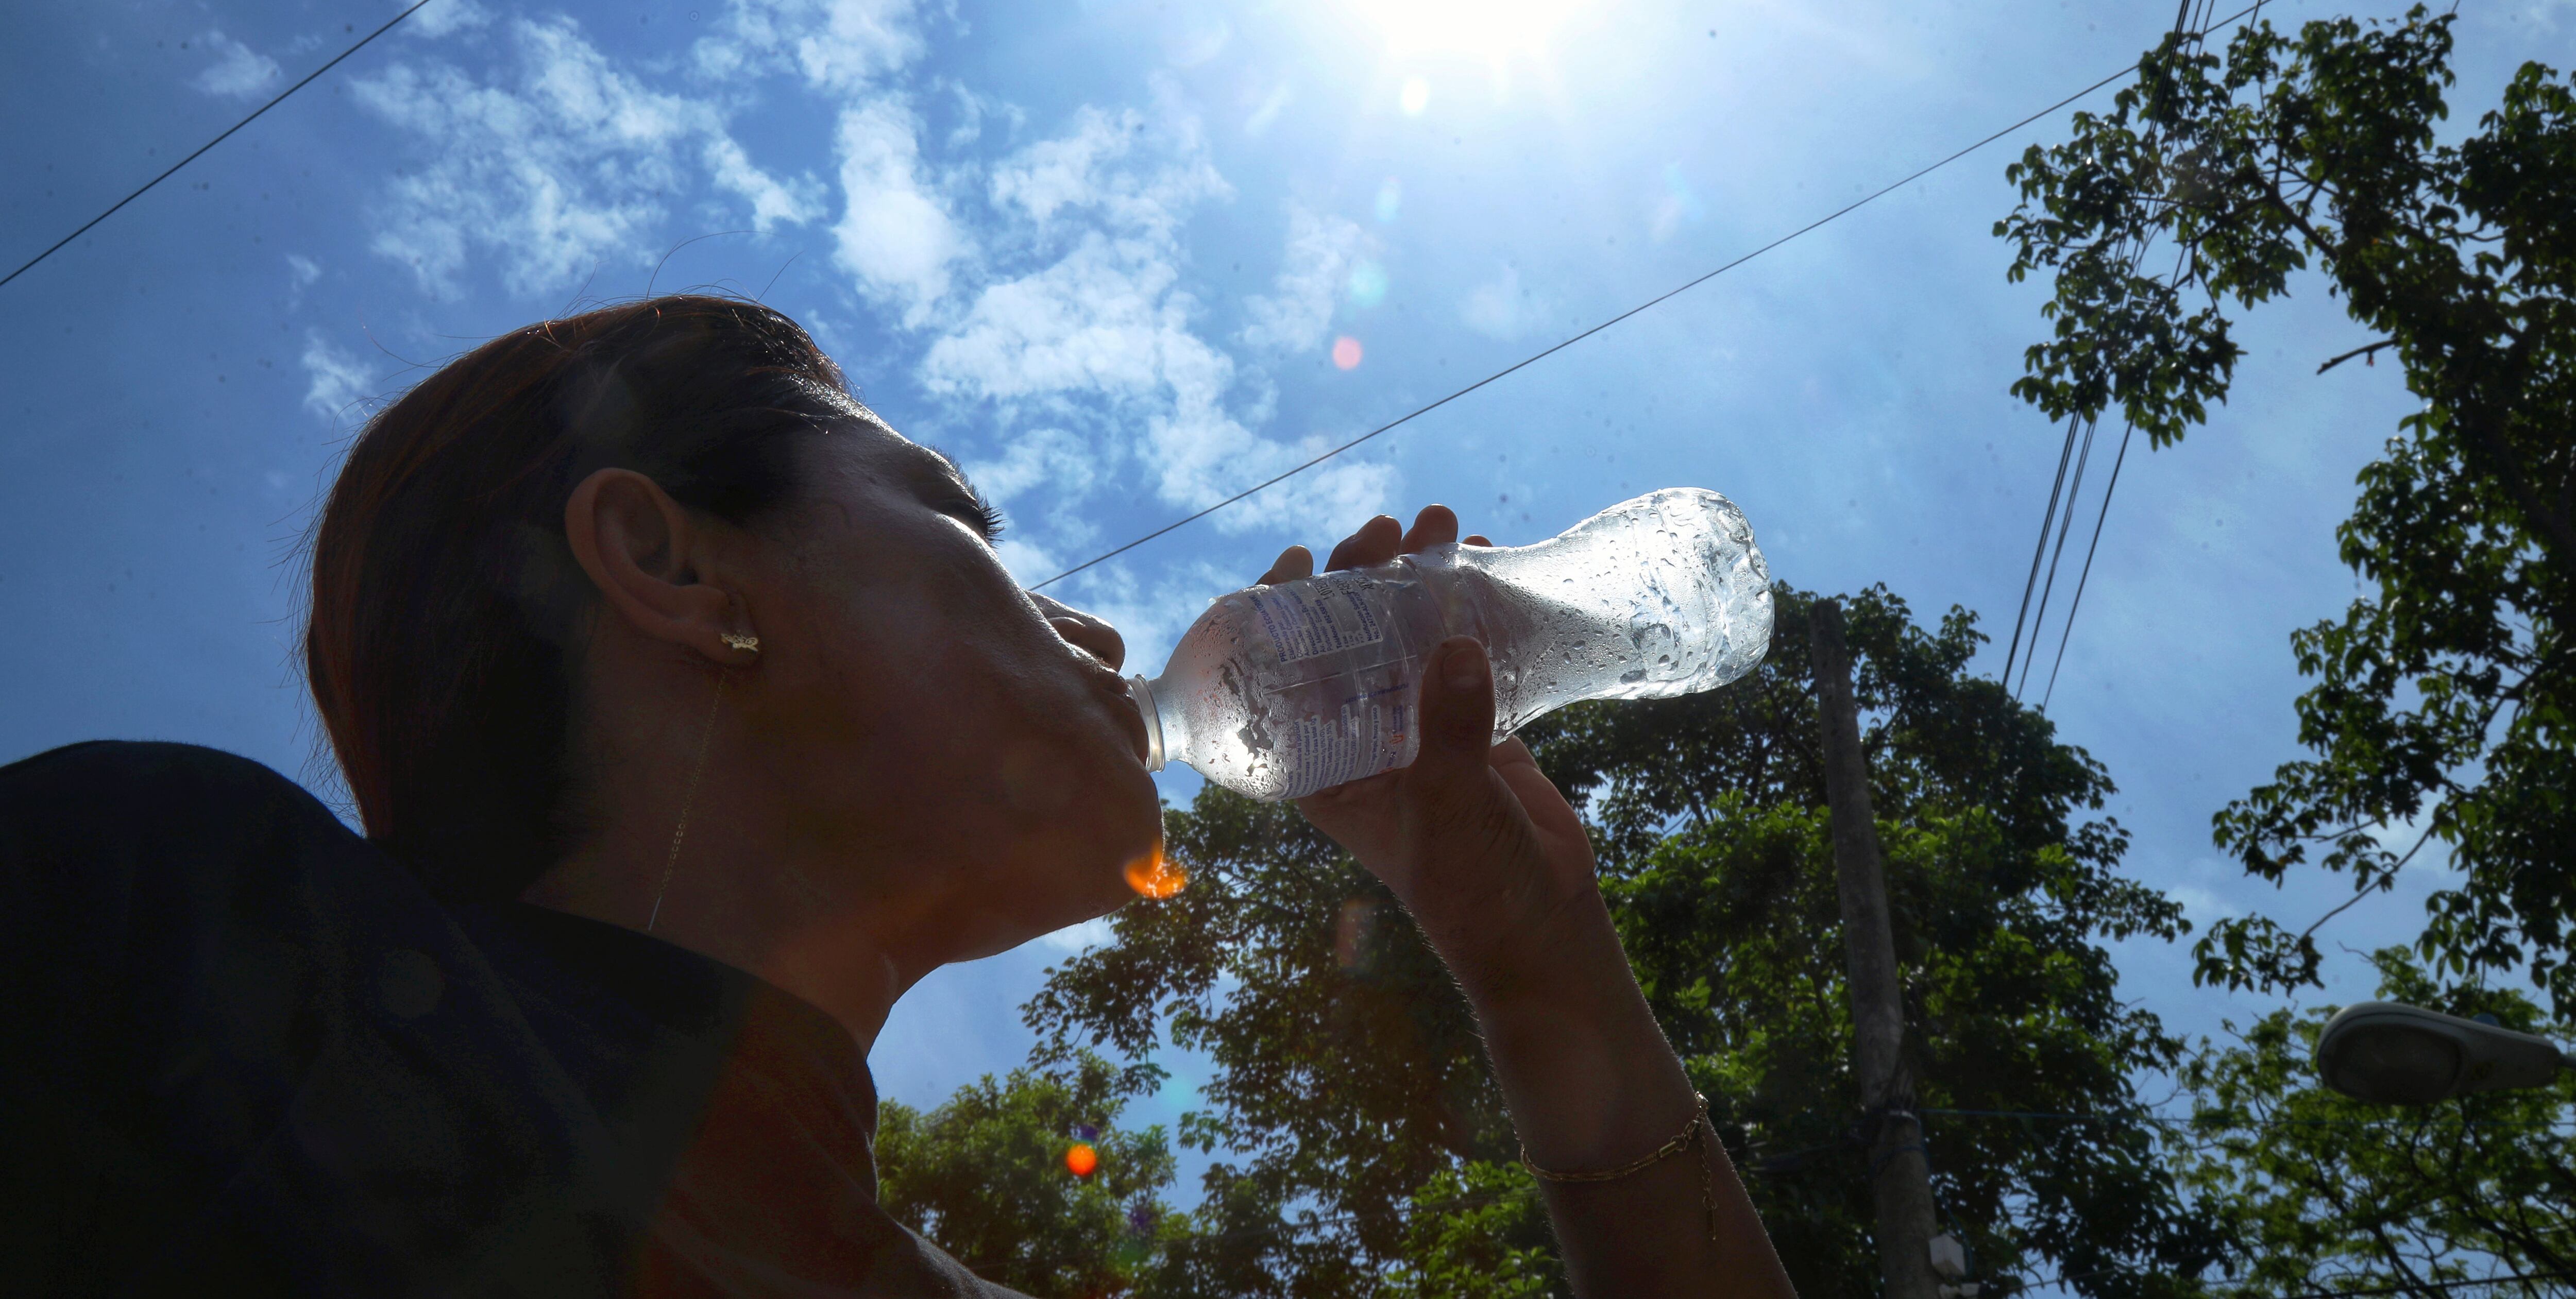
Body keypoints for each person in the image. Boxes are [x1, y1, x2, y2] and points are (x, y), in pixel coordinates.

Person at [0, 295, 1794, 1297]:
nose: (1095, 617)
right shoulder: (182, 938)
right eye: (962, 513)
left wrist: (1537, 954)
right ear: (674, 566)